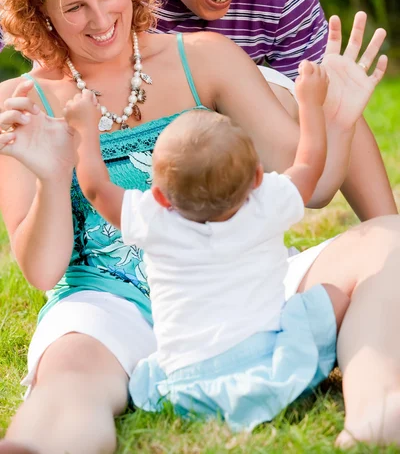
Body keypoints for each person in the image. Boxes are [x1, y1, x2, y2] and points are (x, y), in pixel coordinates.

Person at [0, 0, 398, 454]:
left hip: (242, 274)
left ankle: (379, 411)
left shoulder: (204, 57)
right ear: (41, 14)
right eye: (74, 6)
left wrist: (332, 120)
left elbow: (305, 185)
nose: (100, 19)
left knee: (388, 240)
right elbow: (42, 271)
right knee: (68, 375)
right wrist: (48, 175)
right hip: (111, 304)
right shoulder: (20, 106)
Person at [63, 63, 350, 432]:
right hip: (265, 364)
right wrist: (310, 103)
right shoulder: (267, 204)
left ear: (159, 197)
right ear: (258, 178)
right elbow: (309, 164)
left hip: (184, 384)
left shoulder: (156, 221)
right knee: (329, 294)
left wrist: (86, 128)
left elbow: (96, 189)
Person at [112, 0, 397, 222]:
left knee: (276, 88)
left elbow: (332, 110)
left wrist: (388, 231)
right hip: (109, 125)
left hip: (206, 149)